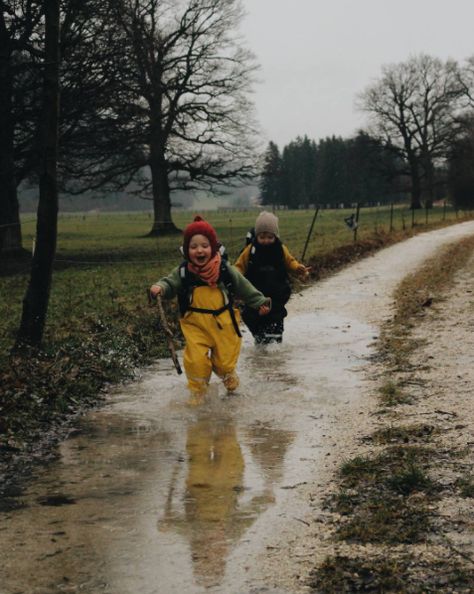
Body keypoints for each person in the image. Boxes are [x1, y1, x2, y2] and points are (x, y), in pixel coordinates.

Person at [149, 216, 271, 403]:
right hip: (195, 325)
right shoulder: (184, 272)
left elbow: (243, 286)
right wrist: (160, 288)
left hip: (223, 324)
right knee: (195, 361)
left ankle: (232, 388)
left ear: (212, 247)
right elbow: (169, 283)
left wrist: (260, 301)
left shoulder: (223, 269)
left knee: (224, 365)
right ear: (187, 250)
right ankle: (198, 396)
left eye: (204, 245)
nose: (199, 250)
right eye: (194, 246)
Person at [234, 211, 311, 344]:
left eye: (270, 237)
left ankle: (276, 340)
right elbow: (240, 266)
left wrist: (298, 268)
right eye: (262, 237)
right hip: (255, 294)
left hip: (277, 293)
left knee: (276, 317)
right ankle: (259, 338)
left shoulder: (280, 249)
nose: (266, 241)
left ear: (275, 236)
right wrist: (235, 276)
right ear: (256, 236)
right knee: (251, 317)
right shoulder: (250, 250)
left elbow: (290, 261)